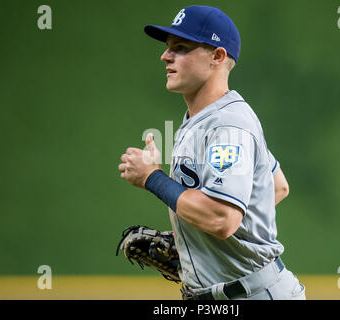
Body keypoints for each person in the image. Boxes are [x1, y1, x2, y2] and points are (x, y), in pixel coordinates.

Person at [118, 5, 306, 300]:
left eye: (180, 48)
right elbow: (277, 186)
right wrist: (201, 246)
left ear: (217, 57)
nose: (165, 56)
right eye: (168, 48)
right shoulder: (202, 119)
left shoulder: (228, 124)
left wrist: (151, 176)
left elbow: (221, 219)